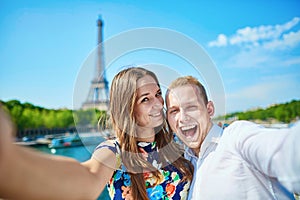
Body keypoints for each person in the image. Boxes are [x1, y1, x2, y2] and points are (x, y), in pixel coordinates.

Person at [0, 67, 193, 200]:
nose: (159, 104)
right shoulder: (114, 151)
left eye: (158, 94)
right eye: (145, 99)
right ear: (127, 108)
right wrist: (10, 164)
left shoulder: (177, 144)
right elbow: (88, 176)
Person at [165, 75, 300, 200]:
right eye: (174, 111)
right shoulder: (186, 163)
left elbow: (289, 152)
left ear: (210, 109)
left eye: (191, 107)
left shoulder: (236, 138)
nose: (182, 118)